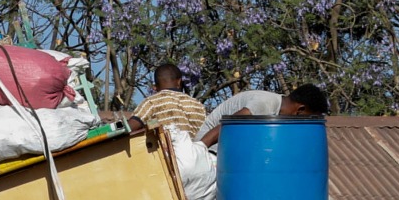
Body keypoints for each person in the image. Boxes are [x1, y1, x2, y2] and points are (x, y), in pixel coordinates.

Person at [200, 83, 329, 147]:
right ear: (300, 110)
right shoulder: (265, 104)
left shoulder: (277, 116)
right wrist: (198, 152)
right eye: (308, 118)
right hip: (212, 150)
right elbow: (228, 126)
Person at [131, 63, 208, 138]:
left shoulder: (152, 102)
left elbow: (132, 126)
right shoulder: (198, 105)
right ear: (179, 81)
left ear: (155, 87)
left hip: (170, 150)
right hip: (197, 150)